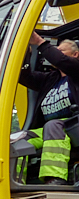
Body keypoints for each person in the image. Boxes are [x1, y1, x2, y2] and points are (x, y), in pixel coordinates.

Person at [16, 32, 79, 185]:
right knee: (19, 139)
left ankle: (55, 179)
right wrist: (25, 53)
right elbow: (25, 77)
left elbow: (62, 61)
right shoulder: (50, 78)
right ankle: (15, 181)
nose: (56, 52)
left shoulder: (76, 70)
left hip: (73, 124)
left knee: (53, 126)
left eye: (61, 49)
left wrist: (39, 41)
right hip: (50, 128)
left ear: (75, 54)